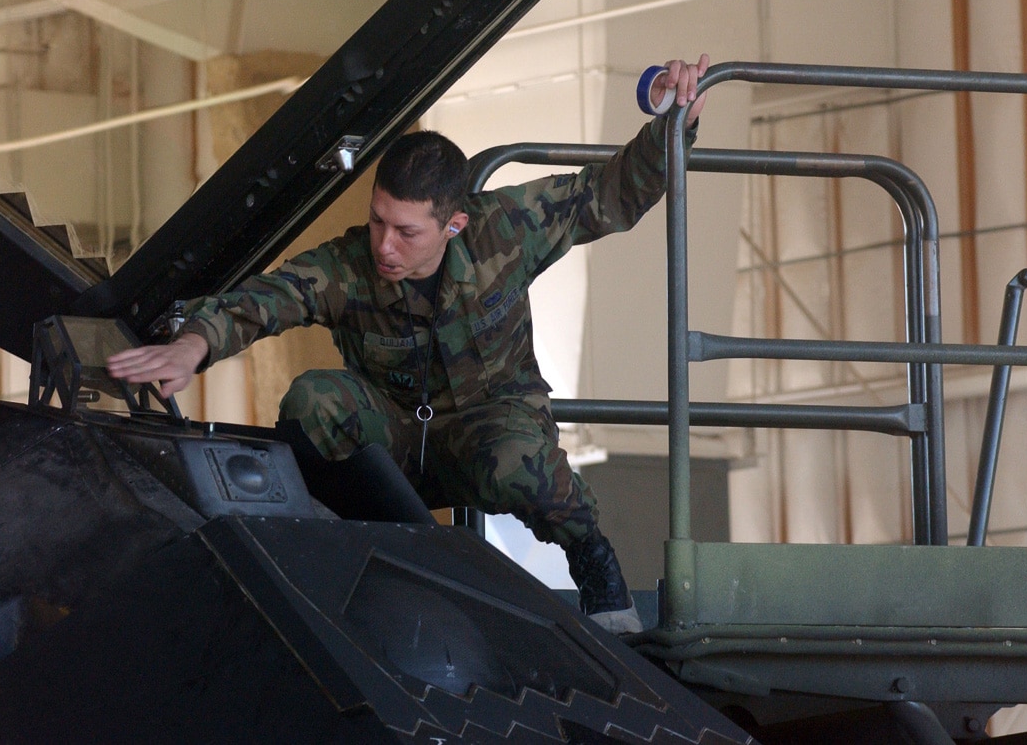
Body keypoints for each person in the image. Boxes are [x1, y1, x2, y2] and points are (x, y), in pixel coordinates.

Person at [108, 56, 709, 634]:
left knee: (518, 462)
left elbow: (610, 194)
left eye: (406, 231)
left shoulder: (509, 227)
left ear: (454, 224)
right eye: (377, 221)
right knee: (314, 398)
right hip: (390, 444)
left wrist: (676, 120)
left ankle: (593, 558)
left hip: (489, 432)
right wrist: (194, 345)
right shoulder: (349, 264)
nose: (384, 246)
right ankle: (339, 550)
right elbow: (271, 298)